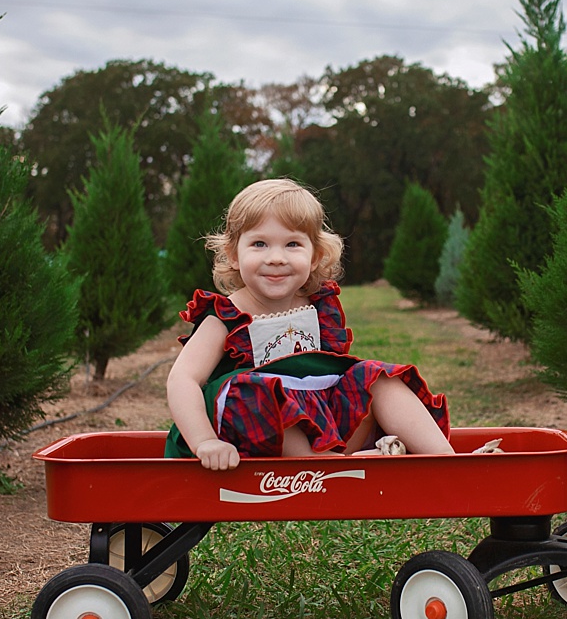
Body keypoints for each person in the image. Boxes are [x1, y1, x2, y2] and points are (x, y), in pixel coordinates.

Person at [166, 178, 455, 470]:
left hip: (323, 427)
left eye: (292, 244)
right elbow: (183, 380)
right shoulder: (226, 316)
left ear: (315, 256)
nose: (276, 258)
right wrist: (204, 441)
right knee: (256, 389)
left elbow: (331, 381)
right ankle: (329, 466)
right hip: (250, 437)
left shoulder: (320, 308)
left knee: (375, 377)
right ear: (233, 255)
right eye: (259, 244)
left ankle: (448, 461)